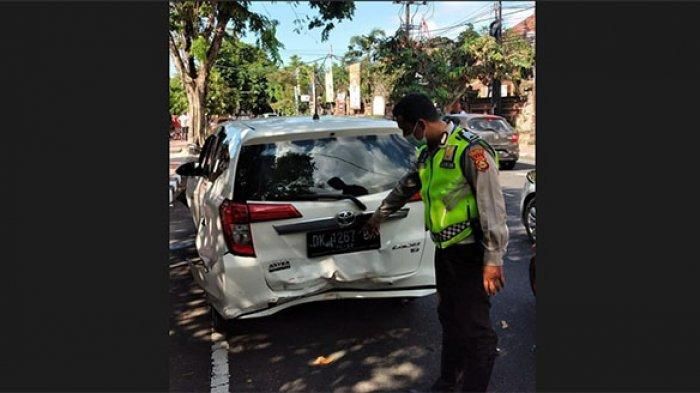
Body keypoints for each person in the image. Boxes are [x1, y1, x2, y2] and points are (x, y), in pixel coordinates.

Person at [363, 93, 508, 392]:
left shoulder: (471, 151)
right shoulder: (428, 154)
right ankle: (448, 378)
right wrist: (379, 216)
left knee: (477, 331)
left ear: (420, 123)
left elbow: (492, 208)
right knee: (449, 317)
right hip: (444, 251)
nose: (405, 136)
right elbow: (408, 185)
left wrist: (493, 260)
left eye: (406, 129)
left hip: (470, 253)